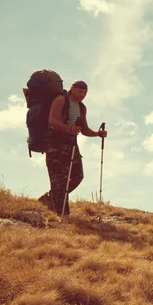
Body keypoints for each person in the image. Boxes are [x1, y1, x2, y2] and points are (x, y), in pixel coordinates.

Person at [38, 80, 108, 216]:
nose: (83, 95)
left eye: (85, 92)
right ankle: (63, 216)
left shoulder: (82, 107)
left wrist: (98, 134)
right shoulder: (61, 100)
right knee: (59, 180)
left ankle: (49, 198)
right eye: (80, 91)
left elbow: (84, 130)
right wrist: (69, 129)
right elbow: (52, 121)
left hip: (71, 144)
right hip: (55, 144)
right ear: (72, 89)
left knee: (77, 175)